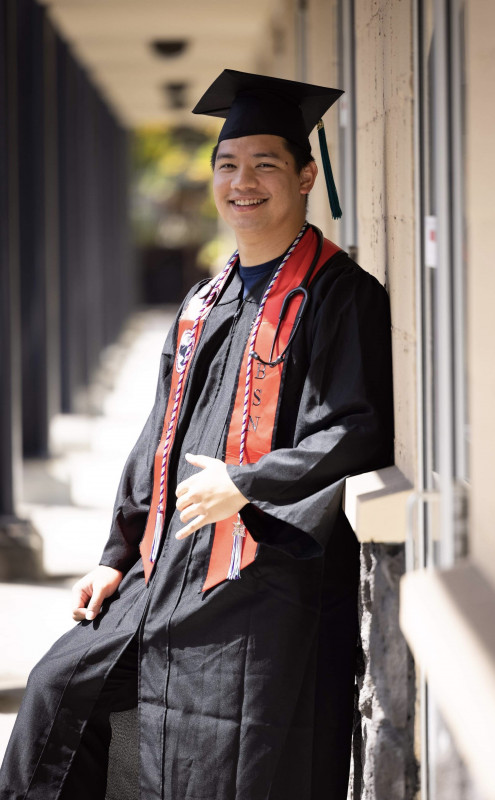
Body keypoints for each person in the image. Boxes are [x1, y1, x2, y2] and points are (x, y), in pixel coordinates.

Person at [0, 70, 393, 800]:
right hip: (167, 567)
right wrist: (116, 557)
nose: (242, 182)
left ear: (306, 176)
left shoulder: (341, 295)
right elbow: (157, 439)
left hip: (265, 580)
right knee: (60, 691)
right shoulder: (203, 300)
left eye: (265, 164)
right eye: (227, 165)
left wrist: (244, 485)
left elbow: (355, 428)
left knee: (224, 762)